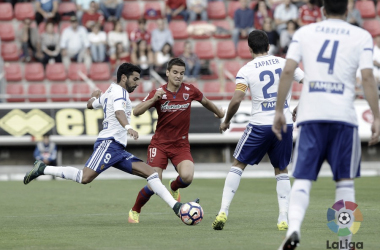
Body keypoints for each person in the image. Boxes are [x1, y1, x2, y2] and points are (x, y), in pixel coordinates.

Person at [273, 0, 380, 249]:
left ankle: (294, 229)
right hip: (344, 117)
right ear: (348, 9)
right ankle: (344, 244)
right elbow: (367, 77)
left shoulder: (304, 32)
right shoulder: (361, 35)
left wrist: (280, 110)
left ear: (322, 10)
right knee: (344, 183)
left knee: (302, 179)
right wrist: (377, 116)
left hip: (312, 115)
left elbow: (288, 71)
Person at [23, 63, 188, 220]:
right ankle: (43, 168)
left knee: (151, 173)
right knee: (84, 177)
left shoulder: (110, 91)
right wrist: (128, 127)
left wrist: (94, 97)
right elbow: (118, 112)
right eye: (135, 79)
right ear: (124, 78)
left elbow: (90, 105)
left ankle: (176, 207)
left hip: (117, 149)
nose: (137, 83)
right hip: (108, 144)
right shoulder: (119, 93)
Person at [212, 30, 304, 231]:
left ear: (249, 48)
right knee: (282, 169)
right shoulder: (284, 62)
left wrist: (226, 120)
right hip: (285, 123)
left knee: (238, 164)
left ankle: (223, 211)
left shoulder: (246, 69)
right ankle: (283, 218)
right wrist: (299, 107)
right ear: (269, 46)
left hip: (260, 124)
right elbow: (309, 84)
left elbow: (237, 99)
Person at [128, 58, 225, 223]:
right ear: (167, 73)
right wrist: (153, 100)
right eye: (175, 72)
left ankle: (174, 186)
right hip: (159, 145)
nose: (178, 76)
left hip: (180, 145)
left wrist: (220, 114)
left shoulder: (190, 90)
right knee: (153, 185)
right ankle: (135, 210)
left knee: (187, 177)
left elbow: (206, 101)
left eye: (181, 73)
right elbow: (136, 111)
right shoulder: (158, 92)